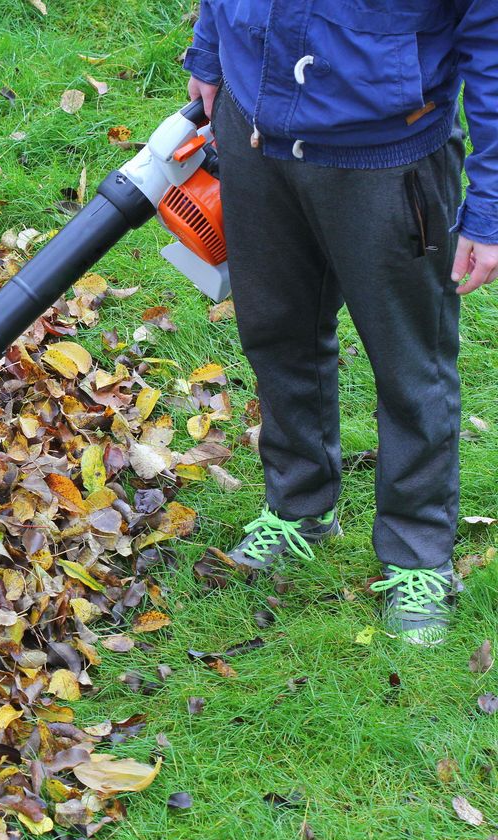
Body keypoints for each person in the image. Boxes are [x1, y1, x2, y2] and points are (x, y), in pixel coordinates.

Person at [182, 1, 498, 644]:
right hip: (254, 134)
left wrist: (490, 207)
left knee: (411, 365)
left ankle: (418, 557)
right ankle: (299, 507)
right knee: (276, 335)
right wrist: (211, 50)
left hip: (387, 154)